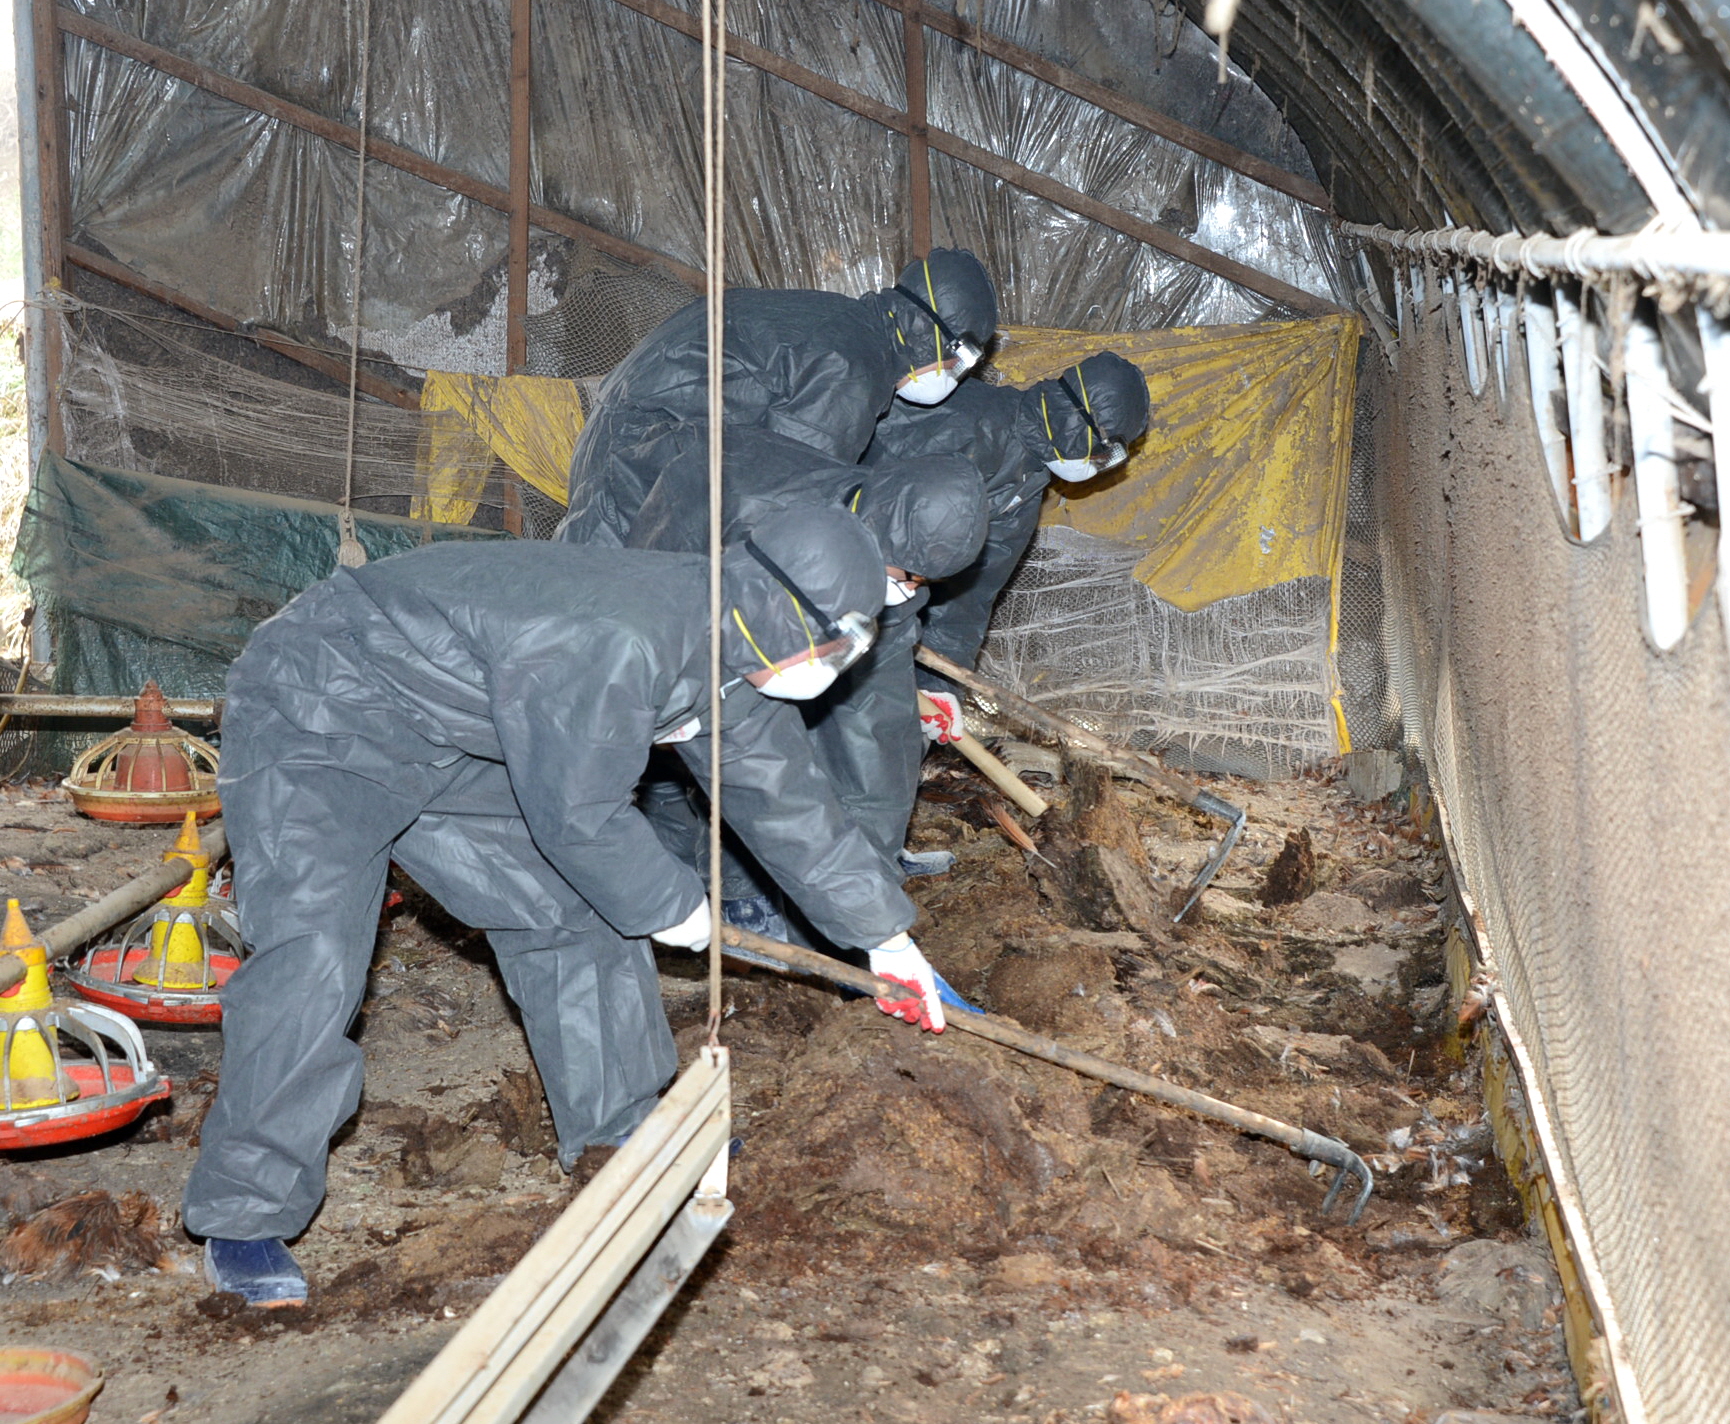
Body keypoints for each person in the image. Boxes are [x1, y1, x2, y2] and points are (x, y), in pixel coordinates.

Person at [185, 509, 950, 1308]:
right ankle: (245, 1216)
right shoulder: (625, 640)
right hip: (321, 707)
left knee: (570, 910)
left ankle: (619, 1130)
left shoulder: (734, 649)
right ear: (786, 613)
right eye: (838, 643)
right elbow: (579, 816)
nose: (839, 665)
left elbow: (788, 802)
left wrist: (885, 938)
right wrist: (675, 906)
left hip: (459, 732)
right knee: (312, 958)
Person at [624, 426, 989, 938]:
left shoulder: (897, 550)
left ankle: (863, 873)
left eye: (925, 581)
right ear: (879, 533)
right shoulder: (762, 526)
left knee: (879, 739)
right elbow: (744, 747)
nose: (912, 589)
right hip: (692, 573)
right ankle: (736, 895)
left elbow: (878, 725)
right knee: (728, 743)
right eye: (909, 575)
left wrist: (871, 897)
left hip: (800, 592)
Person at [559, 250, 998, 548]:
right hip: (646, 471)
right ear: (932, 333)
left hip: (618, 439)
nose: (956, 374)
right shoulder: (850, 365)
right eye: (961, 359)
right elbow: (783, 489)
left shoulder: (835, 318)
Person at [865, 351, 1150, 806]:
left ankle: (872, 838)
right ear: (1075, 421)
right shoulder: (961, 424)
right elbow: (855, 493)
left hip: (886, 611)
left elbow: (969, 595)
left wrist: (937, 684)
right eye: (1102, 449)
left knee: (896, 746)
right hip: (833, 588)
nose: (1099, 463)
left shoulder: (1026, 483)